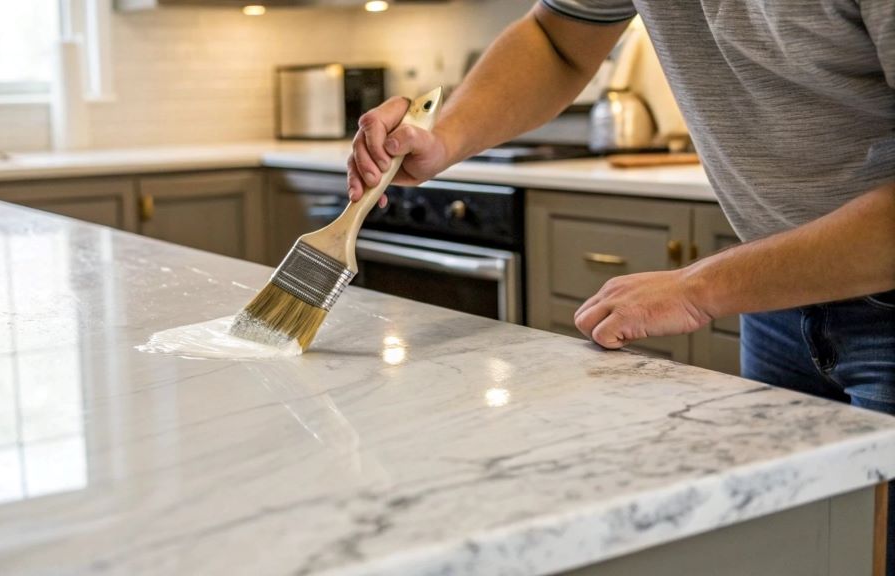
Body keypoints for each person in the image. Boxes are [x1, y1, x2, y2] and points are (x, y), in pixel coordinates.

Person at [345, 1, 895, 572]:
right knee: (790, 550)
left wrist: (699, 286)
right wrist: (447, 135)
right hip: (776, 301)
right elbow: (556, 40)